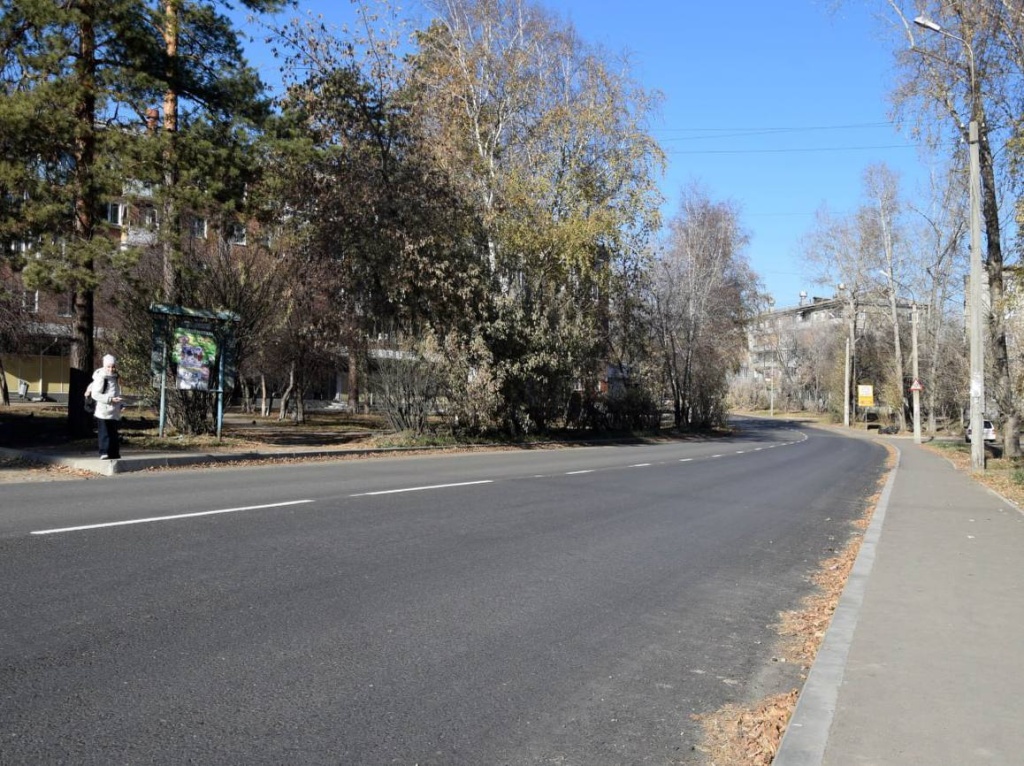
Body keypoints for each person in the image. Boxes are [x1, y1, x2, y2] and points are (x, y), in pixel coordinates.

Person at [85, 354, 124, 460]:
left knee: (113, 433)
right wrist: (110, 400)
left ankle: (114, 453)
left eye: (113, 366)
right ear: (104, 366)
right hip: (103, 410)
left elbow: (117, 392)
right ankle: (104, 452)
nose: (111, 369)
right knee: (104, 432)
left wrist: (120, 404)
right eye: (108, 366)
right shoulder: (101, 377)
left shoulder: (116, 377)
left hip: (114, 410)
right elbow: (95, 395)